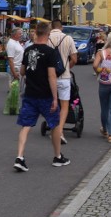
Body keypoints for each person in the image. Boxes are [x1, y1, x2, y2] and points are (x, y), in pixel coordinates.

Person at [13, 21, 69, 172]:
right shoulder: (50, 52)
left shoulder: (28, 50)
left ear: (36, 33)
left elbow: (23, 71)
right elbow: (52, 76)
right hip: (45, 95)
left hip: (30, 94)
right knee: (55, 125)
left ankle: (20, 157)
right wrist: (55, 98)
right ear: (48, 34)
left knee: (26, 126)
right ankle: (57, 156)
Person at [47, 20, 77, 147]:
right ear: (62, 28)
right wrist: (67, 68)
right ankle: (60, 132)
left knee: (52, 103)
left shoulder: (46, 38)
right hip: (64, 77)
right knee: (64, 106)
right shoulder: (68, 38)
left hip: (49, 77)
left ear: (51, 27)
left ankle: (54, 129)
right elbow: (74, 59)